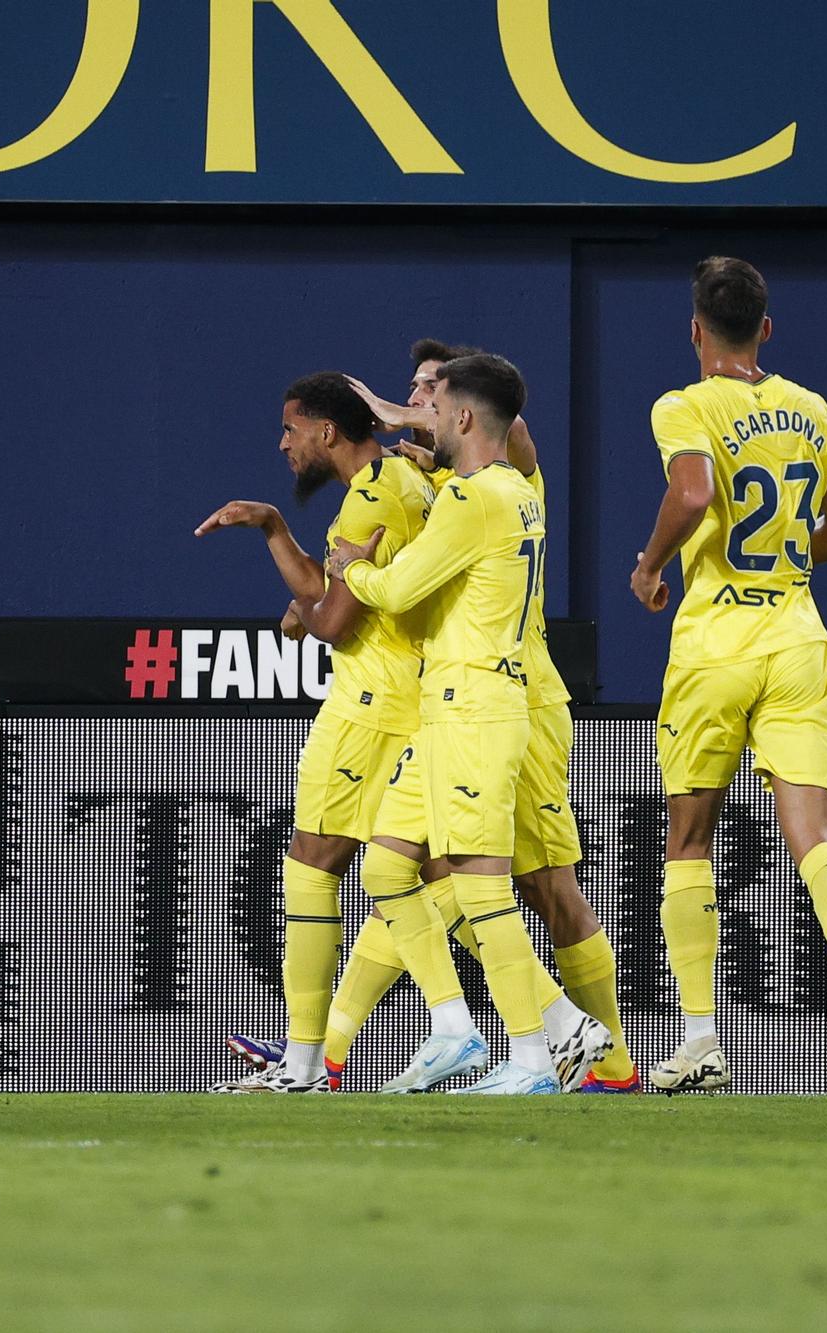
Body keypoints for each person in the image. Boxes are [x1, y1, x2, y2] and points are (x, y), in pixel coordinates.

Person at [629, 257, 827, 1100]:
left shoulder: (686, 403)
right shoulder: (811, 407)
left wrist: (650, 562)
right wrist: (781, 559)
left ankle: (700, 1039)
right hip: (799, 638)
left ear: (696, 329)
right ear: (765, 328)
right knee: (812, 835)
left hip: (715, 643)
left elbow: (693, 491)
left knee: (690, 840)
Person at [326, 354, 577, 1094]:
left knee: (478, 883)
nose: (423, 418)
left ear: (464, 419)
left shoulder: (474, 499)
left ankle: (532, 1058)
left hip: (475, 706)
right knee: (384, 866)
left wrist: (349, 570)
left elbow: (399, 590)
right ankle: (454, 1027)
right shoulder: (519, 492)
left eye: (434, 408)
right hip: (449, 706)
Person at [193, 372, 437, 1092]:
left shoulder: (371, 497)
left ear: (327, 432)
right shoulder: (406, 480)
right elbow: (335, 595)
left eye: (291, 429)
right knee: (434, 879)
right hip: (420, 696)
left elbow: (331, 621)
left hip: (374, 703)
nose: (284, 442)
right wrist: (290, 552)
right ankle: (529, 1031)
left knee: (312, 861)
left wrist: (283, 546)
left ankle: (305, 1061)